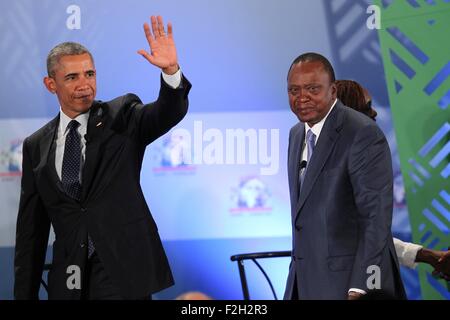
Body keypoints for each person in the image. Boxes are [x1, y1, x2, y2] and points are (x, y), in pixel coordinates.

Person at [14, 16, 191, 300]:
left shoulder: (120, 115)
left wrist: (171, 73)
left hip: (122, 272)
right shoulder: (36, 145)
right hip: (70, 278)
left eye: (90, 74)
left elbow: (166, 113)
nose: (84, 84)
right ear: (51, 84)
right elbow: (31, 233)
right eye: (72, 77)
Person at [283, 52, 406, 300]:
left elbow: (375, 218)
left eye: (312, 89)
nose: (302, 98)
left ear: (333, 90)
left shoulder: (361, 132)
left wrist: (361, 286)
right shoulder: (296, 134)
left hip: (348, 286)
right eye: (294, 90)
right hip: (305, 282)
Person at [335, 79, 450, 281]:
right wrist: (428, 256)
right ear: (350, 114)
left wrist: (429, 256)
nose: (375, 113)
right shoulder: (334, 172)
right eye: (368, 106)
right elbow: (358, 237)